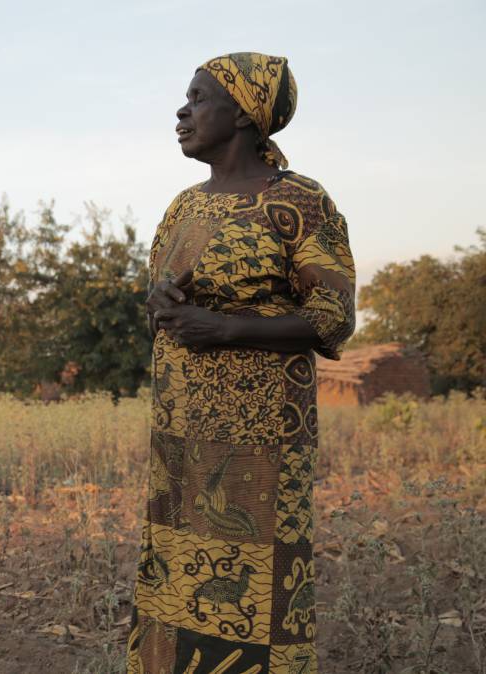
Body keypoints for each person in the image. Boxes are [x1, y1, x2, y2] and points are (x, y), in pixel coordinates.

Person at [126, 53, 355, 673]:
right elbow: (160, 304)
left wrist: (227, 328)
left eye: (199, 97)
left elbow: (334, 317)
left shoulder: (299, 202)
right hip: (181, 439)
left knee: (258, 593)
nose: (183, 110)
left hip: (263, 444)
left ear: (247, 116)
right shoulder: (182, 208)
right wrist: (160, 301)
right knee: (176, 580)